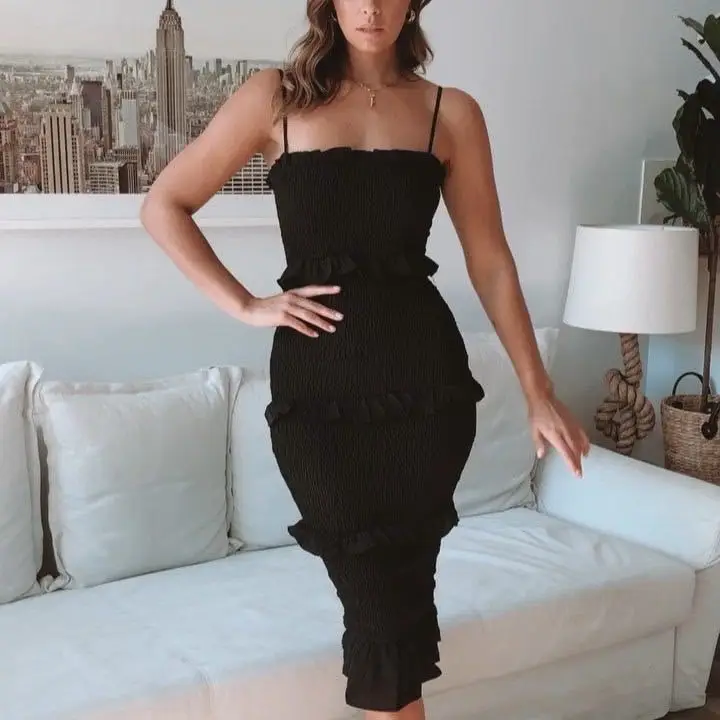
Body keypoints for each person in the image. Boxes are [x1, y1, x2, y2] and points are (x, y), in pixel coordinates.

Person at [140, 1, 590, 717]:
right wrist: (247, 304)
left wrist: (539, 391)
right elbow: (164, 204)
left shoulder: (451, 113)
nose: (372, 7)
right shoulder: (275, 97)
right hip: (318, 399)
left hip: (425, 393)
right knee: (379, 605)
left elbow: (491, 261)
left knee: (397, 609)